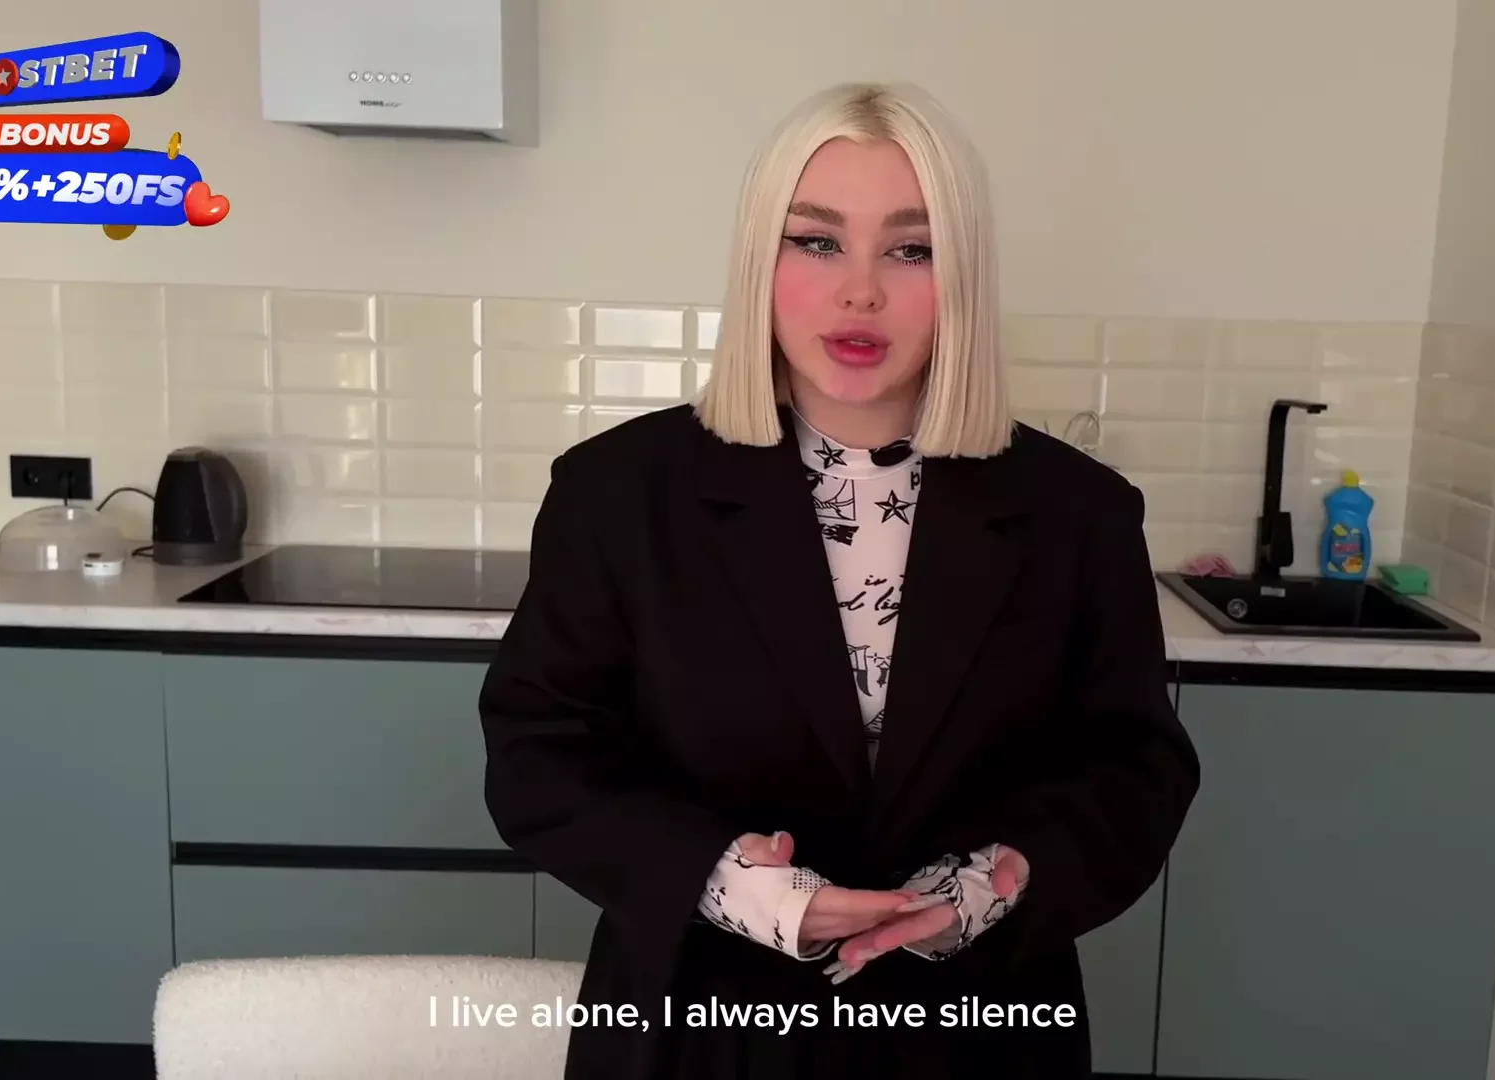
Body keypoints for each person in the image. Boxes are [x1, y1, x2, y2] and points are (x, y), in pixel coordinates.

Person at [479, 80, 1200, 1079]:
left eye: (911, 249)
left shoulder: (1080, 512)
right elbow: (541, 755)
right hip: (700, 1032)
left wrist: (993, 885)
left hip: (976, 1031)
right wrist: (737, 885)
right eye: (817, 241)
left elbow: (1133, 769)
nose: (860, 292)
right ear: (759, 260)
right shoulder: (617, 493)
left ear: (963, 276)